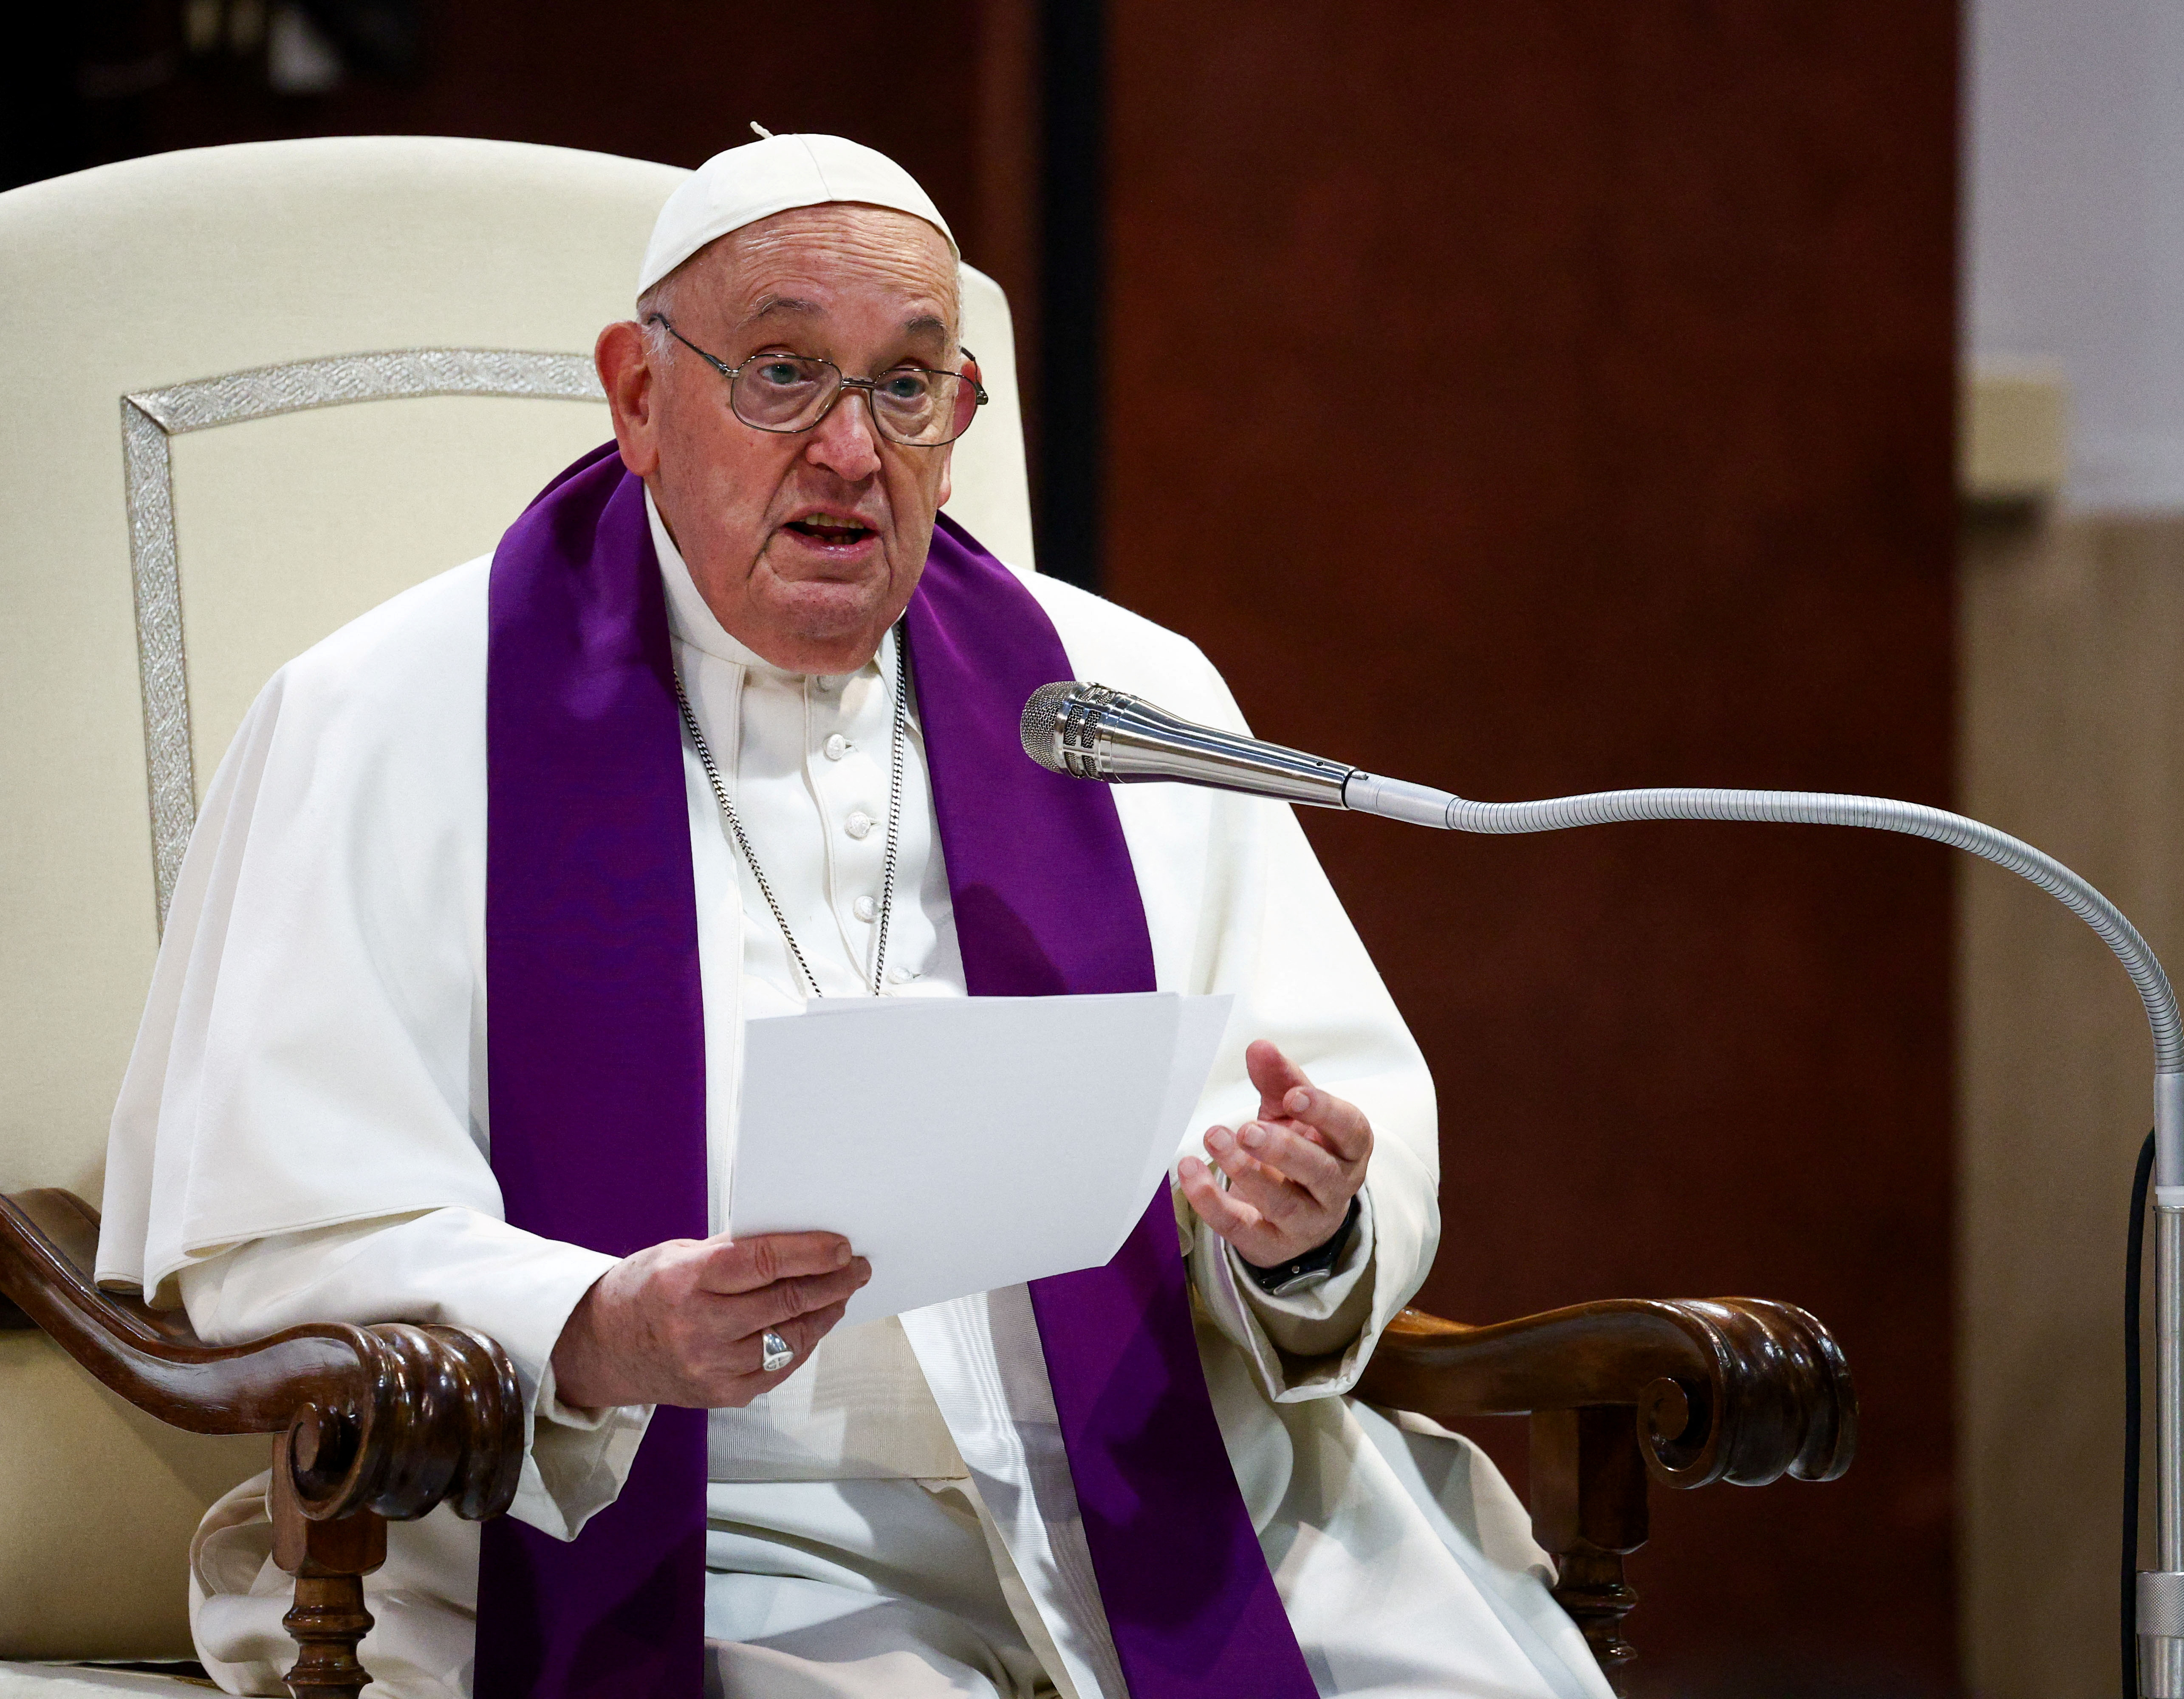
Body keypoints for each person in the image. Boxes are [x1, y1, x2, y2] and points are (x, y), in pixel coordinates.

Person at [96, 131, 1612, 1699]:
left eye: (906, 386)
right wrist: (598, 1324)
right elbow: (283, 1230)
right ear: (636, 395)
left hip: (1185, 1502)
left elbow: (1324, 1129)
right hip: (711, 1542)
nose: (848, 450)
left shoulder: (1124, 701)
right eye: (780, 373)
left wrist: (1302, 1235)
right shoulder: (391, 719)